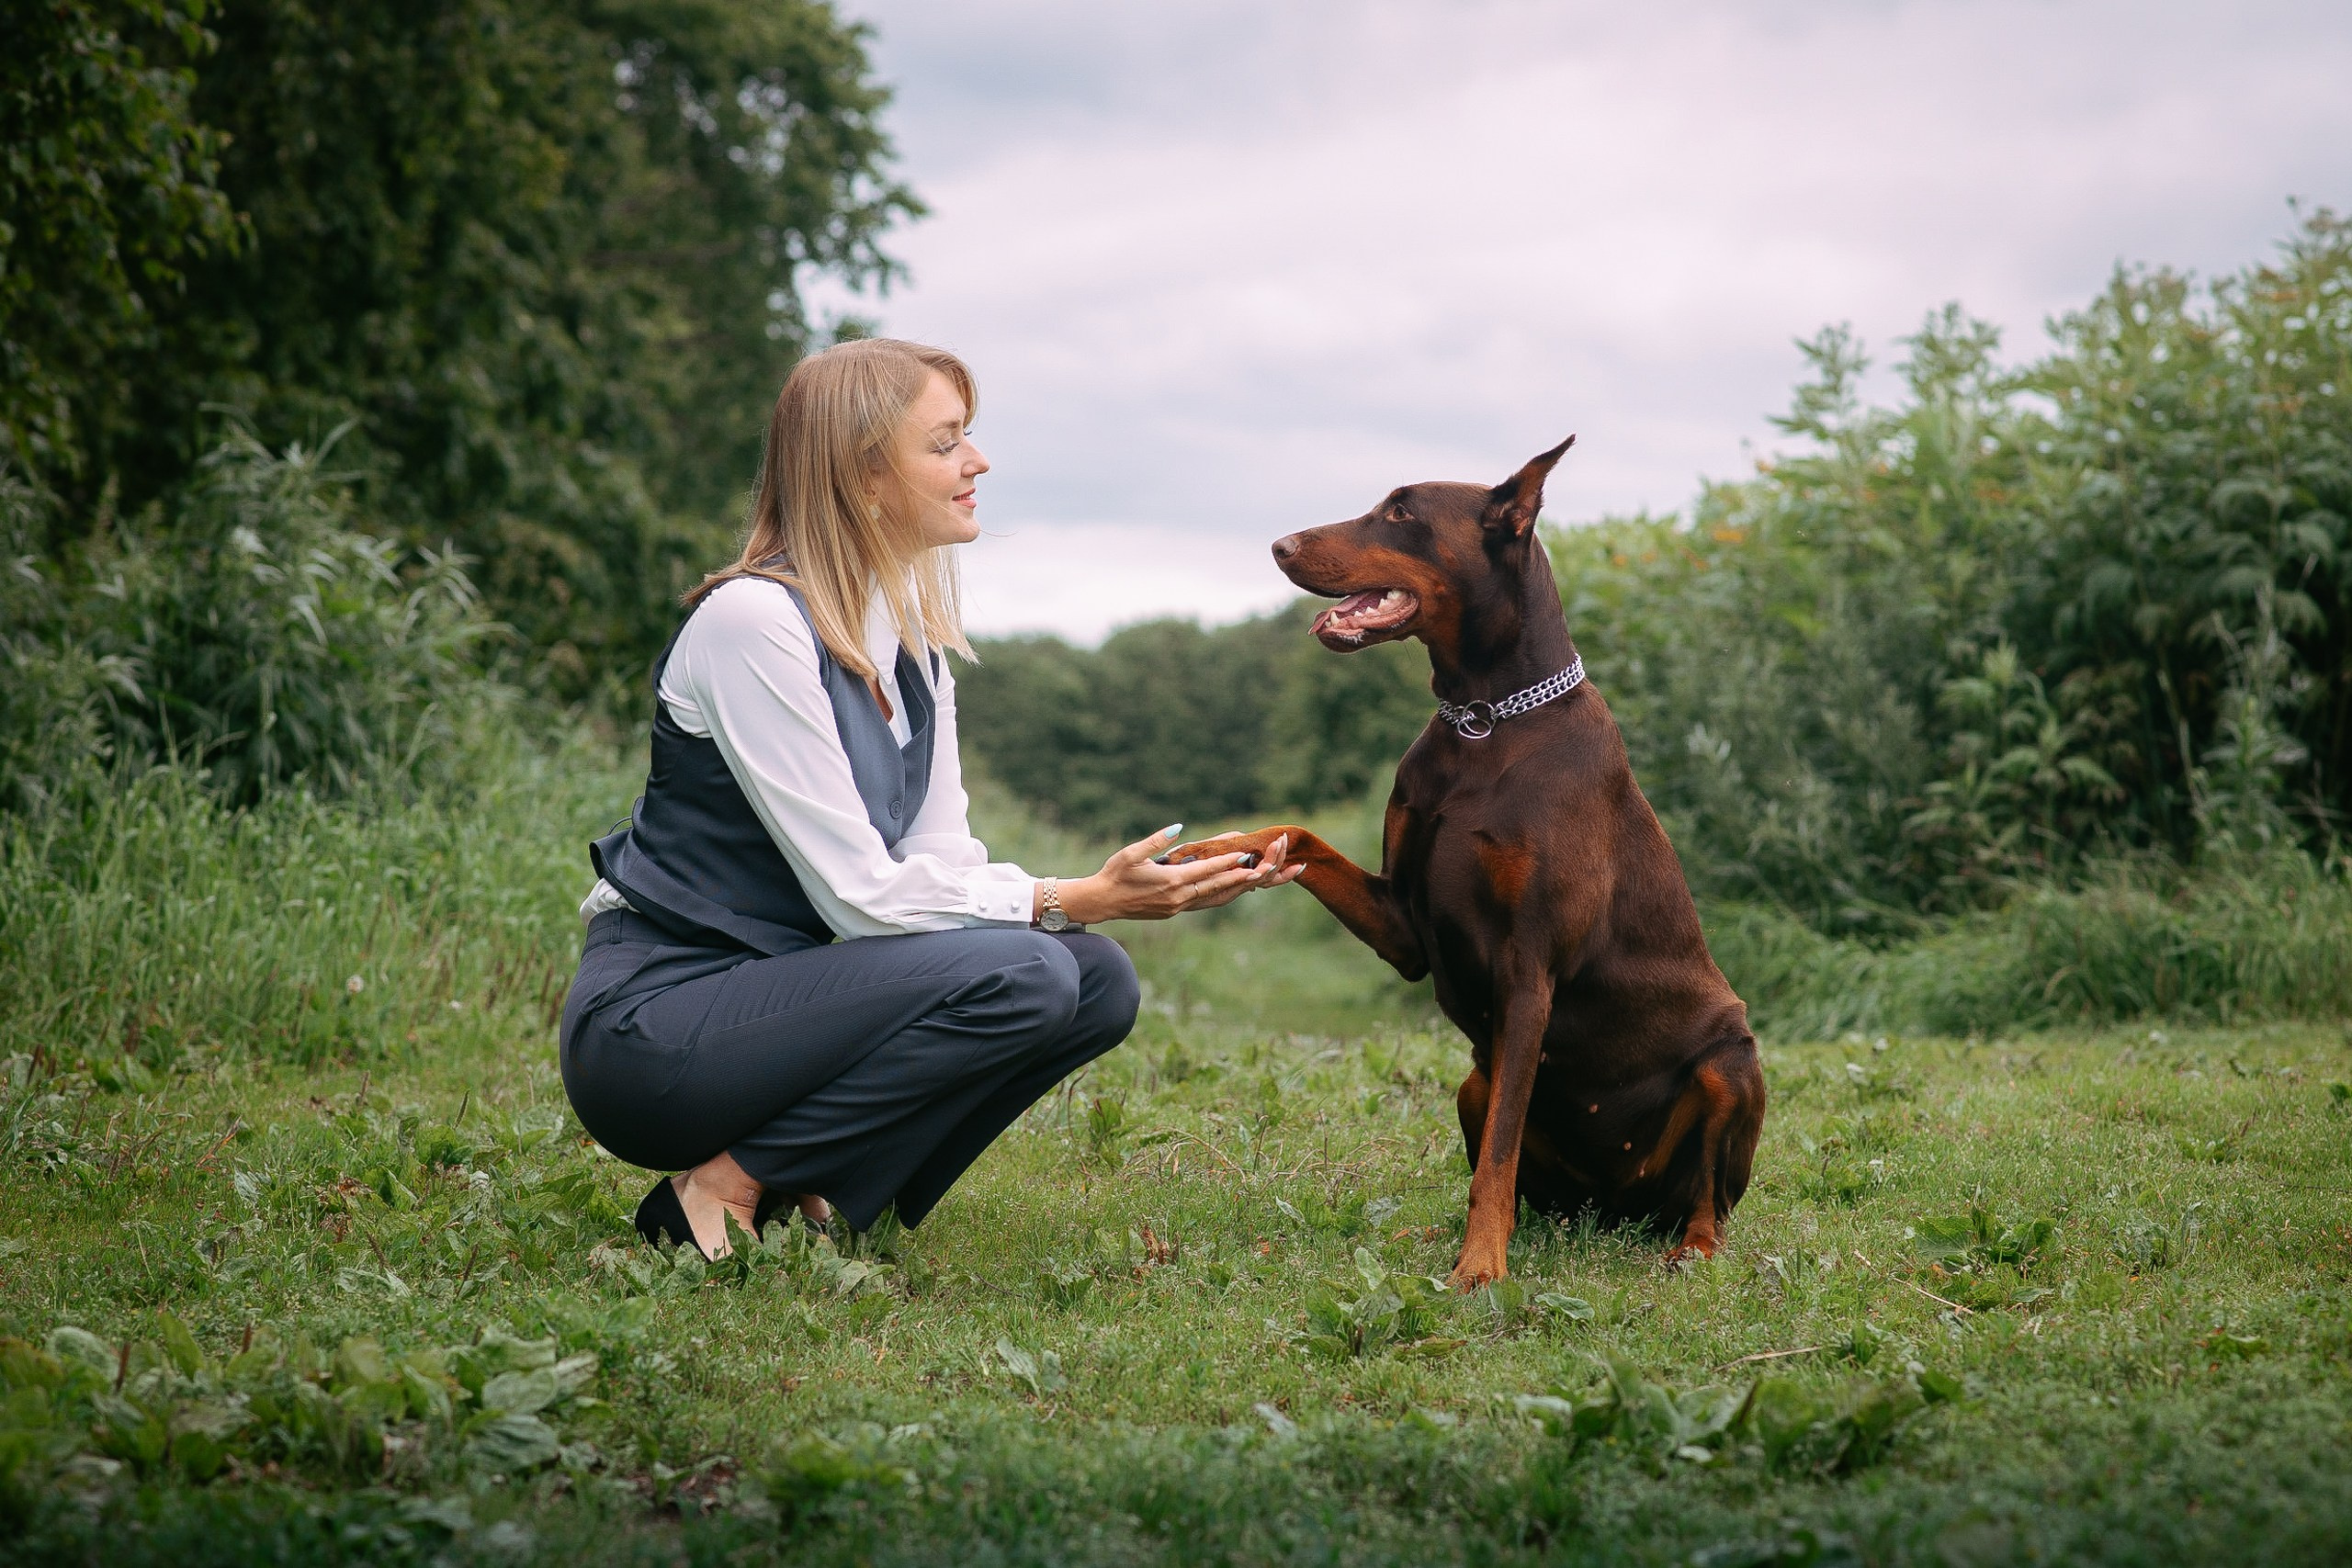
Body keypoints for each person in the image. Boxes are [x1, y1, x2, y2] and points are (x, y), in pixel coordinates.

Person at [559, 338, 1299, 1259]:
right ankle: (724, 1187)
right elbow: (860, 898)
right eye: (945, 442)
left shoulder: (913, 648)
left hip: (779, 1009)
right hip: (660, 1031)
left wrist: (1115, 894)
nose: (977, 462)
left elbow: (938, 867)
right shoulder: (752, 622)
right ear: (866, 475)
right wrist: (1064, 897)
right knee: (1032, 968)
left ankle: (817, 1185)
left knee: (1094, 980)